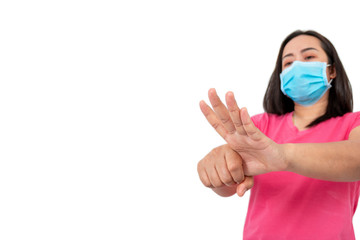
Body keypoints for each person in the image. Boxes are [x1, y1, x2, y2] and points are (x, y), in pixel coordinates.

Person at [197, 30, 360, 239]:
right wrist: (218, 167)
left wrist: (282, 156)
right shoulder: (259, 127)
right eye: (288, 63)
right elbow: (230, 187)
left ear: (332, 71)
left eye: (309, 57)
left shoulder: (353, 123)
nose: (298, 66)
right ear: (281, 78)